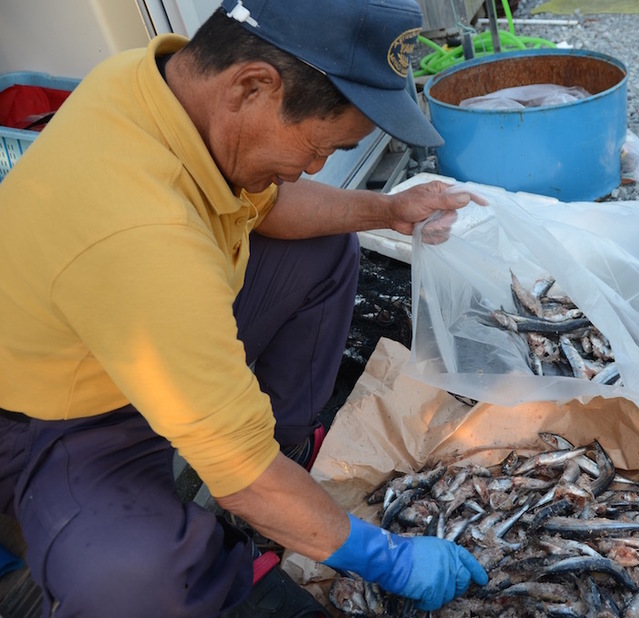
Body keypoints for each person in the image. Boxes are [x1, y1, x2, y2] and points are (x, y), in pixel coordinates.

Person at [0, 0, 489, 616]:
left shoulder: (157, 86)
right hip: (65, 416)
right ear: (252, 86)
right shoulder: (140, 233)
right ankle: (259, 522)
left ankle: (288, 470)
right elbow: (241, 469)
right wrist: (385, 556)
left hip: (143, 328)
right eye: (319, 146)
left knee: (322, 243)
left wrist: (386, 211)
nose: (316, 167)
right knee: (133, 581)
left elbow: (269, 206)